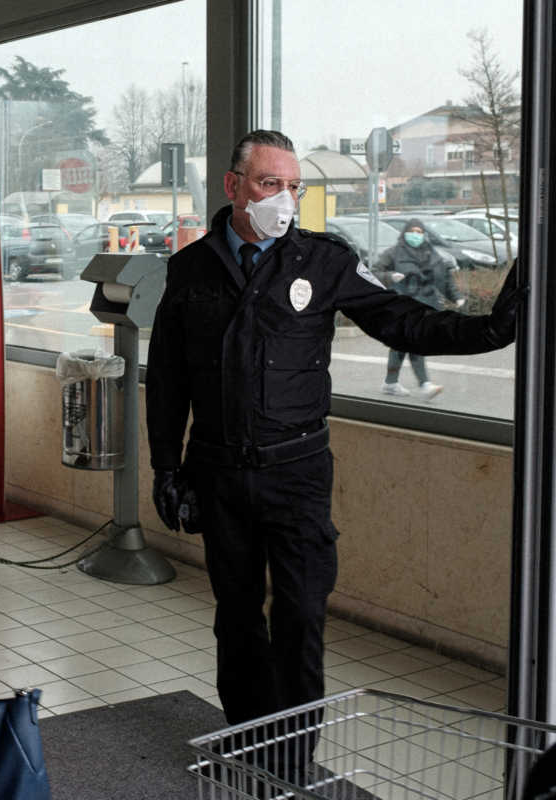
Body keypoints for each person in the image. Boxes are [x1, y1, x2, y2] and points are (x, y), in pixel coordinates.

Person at [145, 130, 519, 772]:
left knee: (299, 621)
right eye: (270, 184)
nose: (284, 200)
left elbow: (403, 318)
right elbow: (170, 379)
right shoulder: (190, 269)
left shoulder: (324, 262)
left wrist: (491, 327)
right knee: (235, 619)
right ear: (233, 186)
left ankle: (289, 762)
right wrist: (165, 468)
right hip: (221, 474)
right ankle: (245, 739)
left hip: (297, 475)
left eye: (295, 187)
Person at [373, 220, 465, 401]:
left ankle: (390, 383)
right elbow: (374, 271)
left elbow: (444, 278)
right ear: (405, 233)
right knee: (414, 343)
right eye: (412, 231)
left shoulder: (431, 254)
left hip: (426, 307)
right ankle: (425, 385)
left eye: (419, 231)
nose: (416, 235)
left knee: (400, 345)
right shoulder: (393, 253)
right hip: (402, 306)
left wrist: (456, 296)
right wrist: (390, 276)